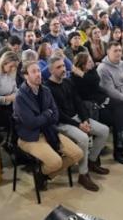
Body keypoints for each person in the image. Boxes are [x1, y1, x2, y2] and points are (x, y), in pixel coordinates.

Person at [13, 60, 83, 191]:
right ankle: (43, 173)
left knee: (77, 154)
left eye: (39, 71)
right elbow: (31, 123)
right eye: (34, 72)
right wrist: (47, 114)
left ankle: (43, 175)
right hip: (30, 137)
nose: (38, 74)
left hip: (49, 131)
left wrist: (45, 116)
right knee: (56, 162)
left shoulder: (45, 90)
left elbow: (55, 116)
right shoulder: (20, 97)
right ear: (26, 75)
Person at [45, 56, 109, 192]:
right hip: (62, 124)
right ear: (51, 70)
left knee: (104, 130)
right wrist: (78, 125)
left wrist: (85, 119)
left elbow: (78, 102)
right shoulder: (47, 88)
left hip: (78, 119)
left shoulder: (68, 82)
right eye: (58, 67)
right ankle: (83, 174)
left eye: (63, 66)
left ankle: (91, 161)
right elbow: (58, 114)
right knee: (83, 138)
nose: (63, 69)